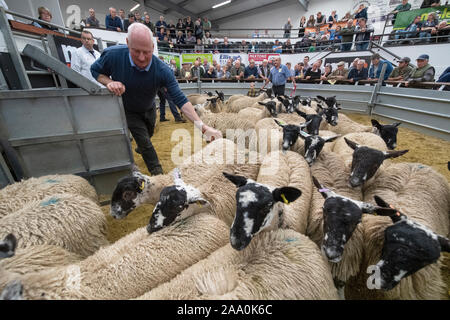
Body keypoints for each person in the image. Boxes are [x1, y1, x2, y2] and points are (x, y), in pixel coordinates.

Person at [90, 23, 221, 175]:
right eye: (135, 51)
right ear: (127, 43)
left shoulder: (162, 70)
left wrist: (203, 127)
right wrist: (109, 82)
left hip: (149, 107)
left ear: (153, 47)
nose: (141, 57)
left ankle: (142, 145)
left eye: (146, 52)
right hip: (128, 109)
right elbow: (95, 70)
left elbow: (180, 99)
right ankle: (157, 173)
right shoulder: (113, 55)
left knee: (149, 132)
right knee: (145, 141)